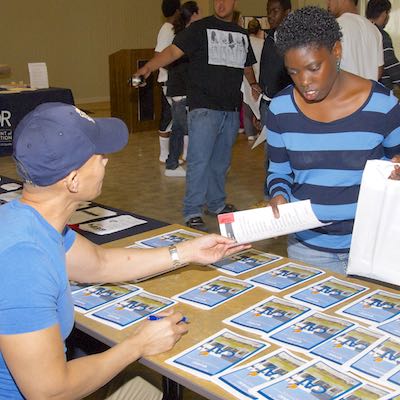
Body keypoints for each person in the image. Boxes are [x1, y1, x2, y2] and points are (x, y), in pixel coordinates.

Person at [0, 102, 250, 399]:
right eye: (98, 155)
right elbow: (50, 392)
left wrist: (187, 252)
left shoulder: (25, 219)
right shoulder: (23, 260)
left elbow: (100, 263)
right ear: (73, 181)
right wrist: (137, 345)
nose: (106, 161)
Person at [265, 6, 400, 275]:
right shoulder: (281, 109)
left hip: (373, 246)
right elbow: (279, 170)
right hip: (308, 248)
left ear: (336, 51)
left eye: (314, 68)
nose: (304, 81)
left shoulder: (383, 105)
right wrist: (278, 194)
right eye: (293, 71)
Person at [135, 0, 259, 232]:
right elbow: (172, 51)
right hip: (203, 109)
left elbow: (247, 66)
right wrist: (149, 68)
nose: (221, 3)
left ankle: (216, 204)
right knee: (199, 161)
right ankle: (192, 209)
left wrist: (253, 84)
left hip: (230, 110)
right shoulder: (200, 28)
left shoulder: (241, 34)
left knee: (221, 162)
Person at [165, 1, 201, 177]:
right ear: (193, 15)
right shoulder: (187, 37)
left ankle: (175, 161)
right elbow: (183, 68)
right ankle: (172, 164)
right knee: (181, 128)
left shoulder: (183, 35)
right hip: (180, 89)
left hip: (178, 89)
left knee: (182, 128)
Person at [327, 0, 383, 80]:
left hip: (345, 91)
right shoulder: (374, 29)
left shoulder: (334, 27)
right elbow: (379, 70)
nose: (328, 3)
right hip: (369, 90)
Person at [259, 0, 292, 129]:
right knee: (269, 148)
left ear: (287, 13)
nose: (270, 16)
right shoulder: (269, 38)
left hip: (286, 104)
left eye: (275, 11)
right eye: (268, 11)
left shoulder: (294, 39)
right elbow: (264, 66)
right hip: (267, 104)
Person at [155, 0, 181, 163]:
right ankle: (164, 154)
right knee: (169, 117)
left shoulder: (172, 29)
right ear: (177, 11)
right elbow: (159, 54)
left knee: (174, 118)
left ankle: (171, 154)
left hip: (172, 80)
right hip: (167, 80)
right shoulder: (167, 29)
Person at [366, 0, 400, 90]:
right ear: (385, 13)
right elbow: (390, 64)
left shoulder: (361, 30)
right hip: (379, 90)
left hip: (360, 88)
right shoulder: (380, 34)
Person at [242, 18, 264, 141]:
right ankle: (261, 129)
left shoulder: (244, 42)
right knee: (259, 105)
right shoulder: (261, 43)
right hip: (259, 76)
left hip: (246, 78)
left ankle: (250, 133)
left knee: (247, 105)